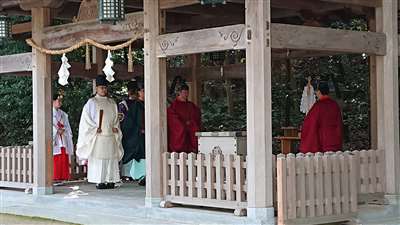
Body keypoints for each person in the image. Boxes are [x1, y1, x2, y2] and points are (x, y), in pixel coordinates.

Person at [76, 75, 123, 189]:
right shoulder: (91, 102)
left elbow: (116, 119)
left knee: (111, 159)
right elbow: (86, 120)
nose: (103, 90)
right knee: (99, 159)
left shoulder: (112, 103)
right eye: (101, 87)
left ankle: (111, 179)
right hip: (98, 136)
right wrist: (94, 129)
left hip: (110, 136)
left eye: (105, 87)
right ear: (96, 88)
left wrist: (116, 128)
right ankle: (100, 180)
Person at [299, 81, 343, 153]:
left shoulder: (318, 106)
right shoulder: (334, 105)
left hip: (323, 141)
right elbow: (339, 123)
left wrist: (302, 132)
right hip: (335, 140)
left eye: (316, 91)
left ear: (319, 92)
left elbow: (310, 124)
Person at [121, 81, 146, 186]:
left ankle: (147, 175)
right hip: (139, 136)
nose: (144, 93)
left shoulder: (150, 104)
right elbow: (129, 123)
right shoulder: (135, 105)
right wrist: (139, 130)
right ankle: (141, 176)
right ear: (139, 92)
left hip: (149, 135)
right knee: (140, 155)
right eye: (143, 91)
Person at [167, 83, 201, 153]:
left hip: (191, 131)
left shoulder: (191, 105)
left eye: (187, 92)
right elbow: (173, 119)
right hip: (180, 133)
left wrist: (191, 123)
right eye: (184, 92)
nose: (186, 94)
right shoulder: (174, 106)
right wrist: (183, 125)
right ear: (179, 93)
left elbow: (197, 116)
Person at [118, 80, 137, 182]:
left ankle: (136, 173)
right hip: (127, 132)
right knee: (128, 153)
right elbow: (121, 119)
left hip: (136, 132)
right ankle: (127, 173)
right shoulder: (123, 104)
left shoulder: (140, 103)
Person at [52, 94, 73, 182]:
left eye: (61, 101)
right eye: (58, 100)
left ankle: (63, 177)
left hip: (63, 138)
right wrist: (56, 131)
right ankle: (55, 178)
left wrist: (64, 130)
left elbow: (67, 127)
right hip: (55, 138)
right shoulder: (48, 112)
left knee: (63, 157)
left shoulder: (63, 114)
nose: (60, 102)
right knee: (56, 158)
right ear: (52, 101)